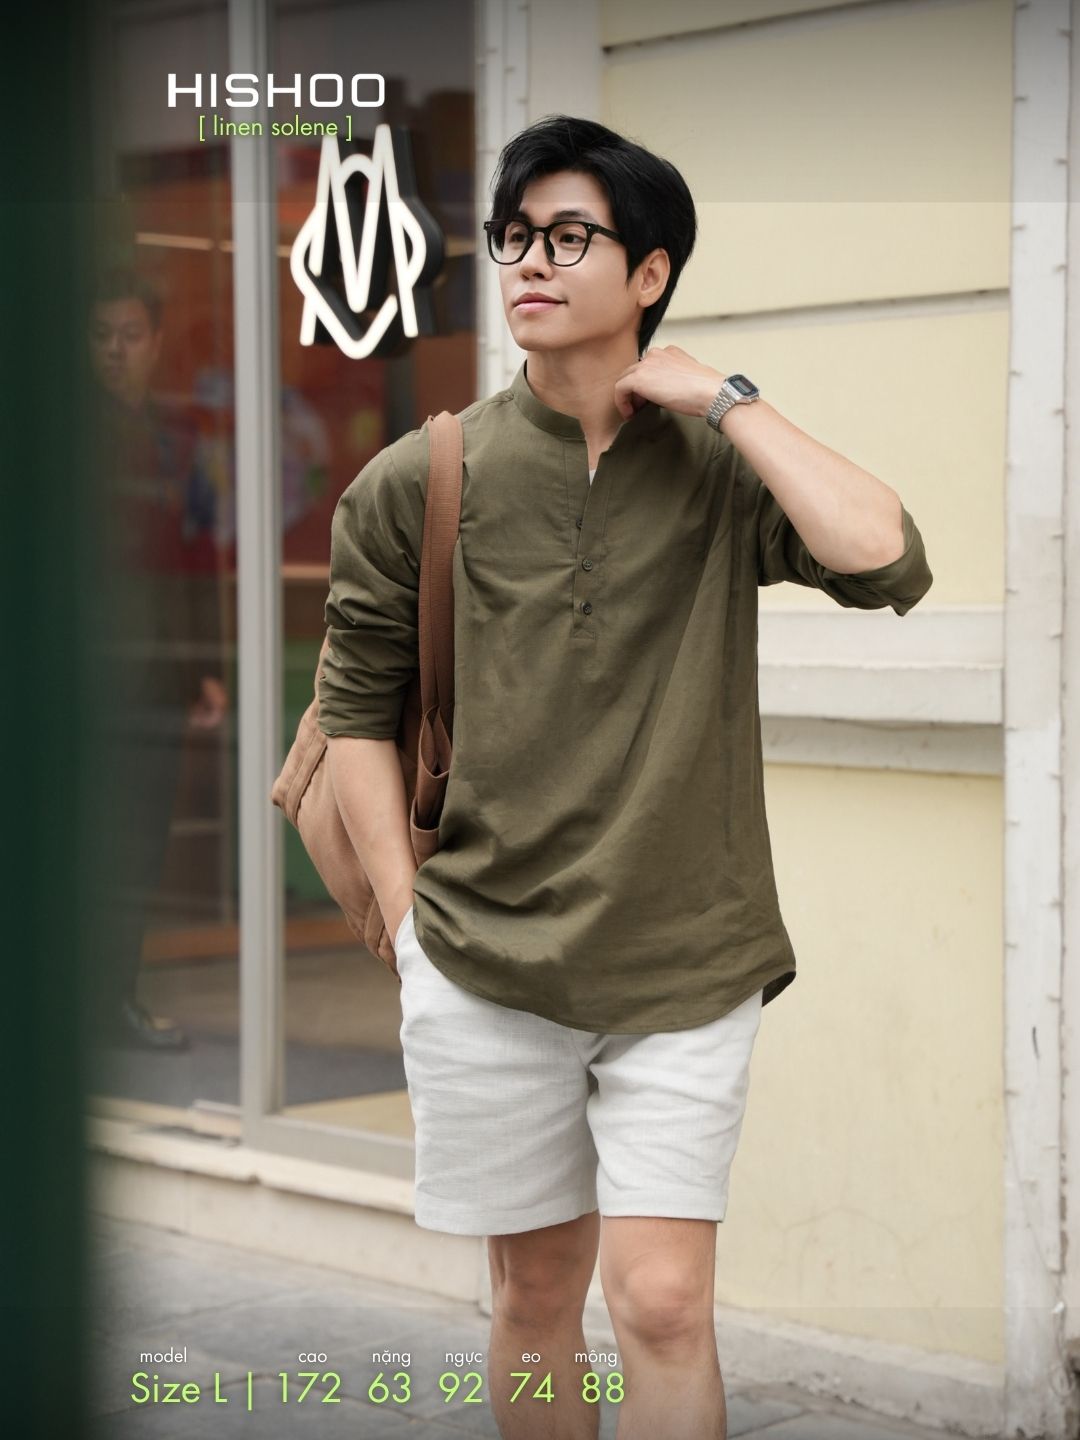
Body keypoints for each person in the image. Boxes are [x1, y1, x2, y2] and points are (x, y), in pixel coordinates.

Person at [318, 116, 933, 1440]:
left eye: (569, 236)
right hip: (482, 957)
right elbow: (355, 714)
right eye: (514, 237)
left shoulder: (718, 470)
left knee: (661, 1303)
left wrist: (728, 399)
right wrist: (412, 925)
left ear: (650, 273)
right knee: (536, 1294)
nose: (530, 262)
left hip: (686, 958)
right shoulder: (419, 479)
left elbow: (886, 557)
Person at [87, 268, 227, 1051]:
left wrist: (208, 666)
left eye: (130, 335)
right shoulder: (65, 436)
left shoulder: (179, 438)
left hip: (159, 676)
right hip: (83, 678)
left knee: (138, 844)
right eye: (101, 335)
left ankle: (115, 999)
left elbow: (199, 552)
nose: (115, 350)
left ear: (156, 342)